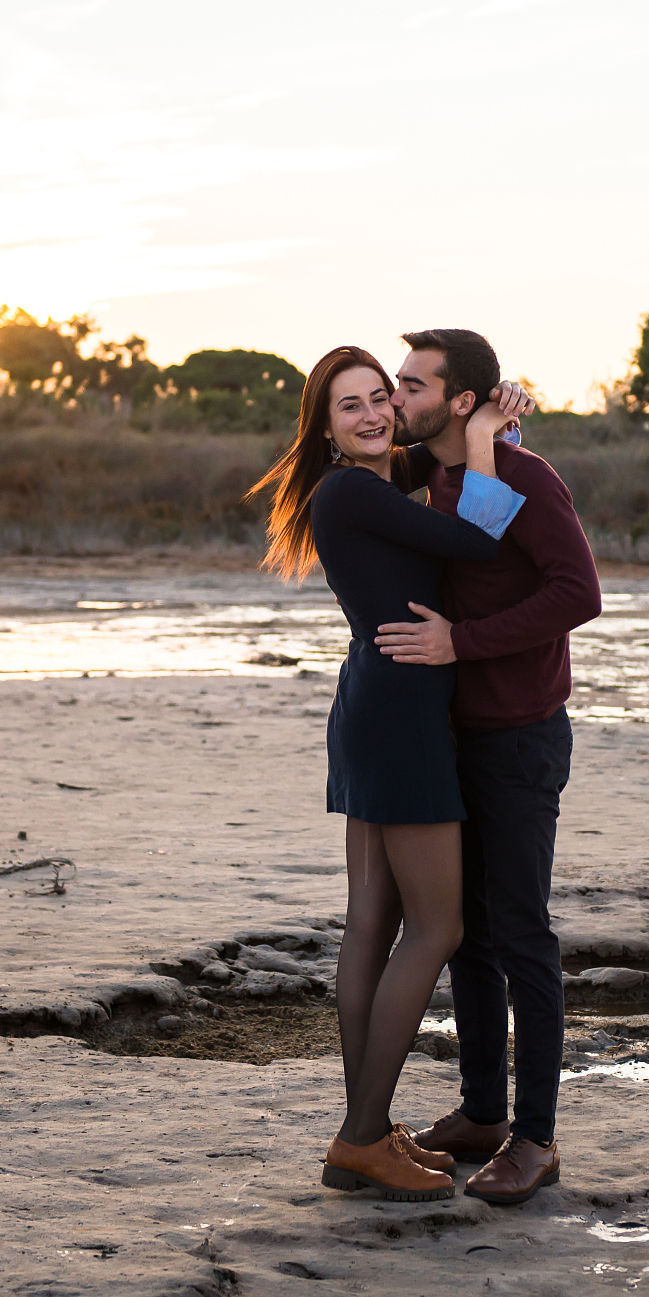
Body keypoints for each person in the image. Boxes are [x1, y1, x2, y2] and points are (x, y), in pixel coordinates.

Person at [245, 345, 533, 1202]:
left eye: (382, 397)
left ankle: (363, 1131)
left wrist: (489, 415)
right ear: (324, 429)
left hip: (373, 704)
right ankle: (362, 1134)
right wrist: (483, 431)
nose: (375, 414)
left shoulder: (368, 480)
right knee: (437, 927)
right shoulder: (351, 492)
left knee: (373, 921)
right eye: (352, 405)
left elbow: (436, 449)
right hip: (401, 716)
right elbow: (477, 540)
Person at [374, 328, 603, 1205]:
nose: (396, 396)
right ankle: (481, 1111)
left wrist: (460, 643)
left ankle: (536, 1138)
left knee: (520, 932)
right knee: (463, 930)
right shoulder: (432, 476)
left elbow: (578, 592)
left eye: (412, 385)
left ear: (460, 399)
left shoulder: (527, 476)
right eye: (396, 383)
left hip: (518, 737)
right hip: (451, 738)